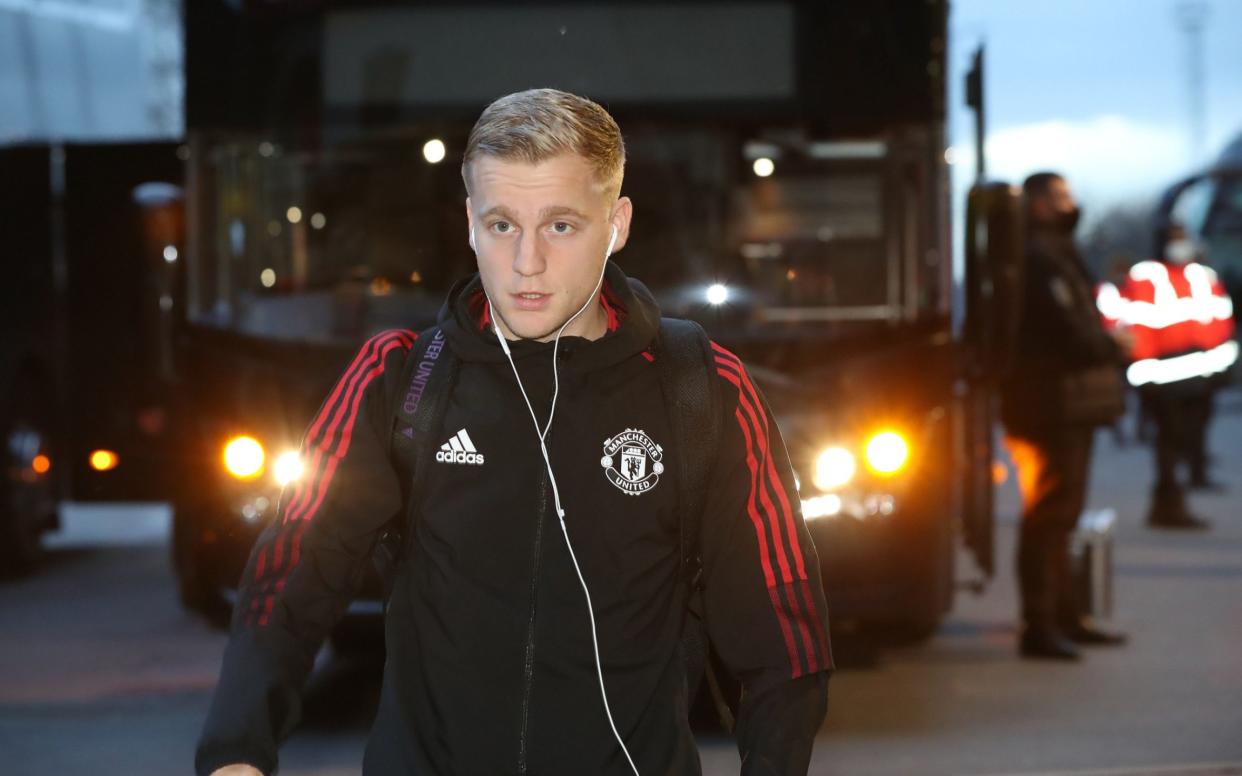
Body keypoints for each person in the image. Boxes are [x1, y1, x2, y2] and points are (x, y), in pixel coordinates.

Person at [196, 89, 832, 776]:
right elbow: (293, 578)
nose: (527, 262)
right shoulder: (400, 379)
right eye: (502, 226)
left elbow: (782, 636)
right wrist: (236, 754)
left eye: (560, 226)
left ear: (615, 225)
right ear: (470, 223)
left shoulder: (701, 387)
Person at [1000, 172, 1128, 661]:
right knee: (1048, 518)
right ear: (1037, 205)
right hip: (1048, 405)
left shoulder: (1054, 253)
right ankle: (1041, 625)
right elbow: (1066, 331)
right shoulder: (1039, 260)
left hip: (1064, 403)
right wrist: (1111, 345)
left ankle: (1067, 617)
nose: (1071, 204)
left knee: (1061, 517)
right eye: (1060, 197)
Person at [1103, 223, 1237, 529]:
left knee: (1191, 436)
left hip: (1201, 373)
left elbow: (1219, 319)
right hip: (1163, 375)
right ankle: (1167, 504)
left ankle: (1185, 487)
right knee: (1169, 442)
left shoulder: (1202, 276)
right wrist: (1144, 371)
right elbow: (1136, 324)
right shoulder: (1146, 277)